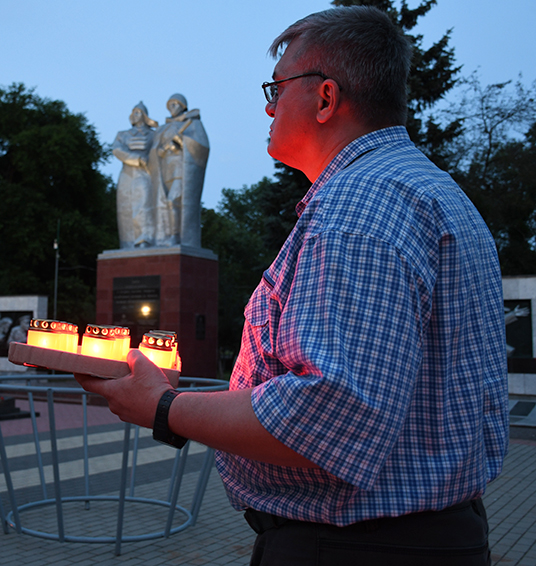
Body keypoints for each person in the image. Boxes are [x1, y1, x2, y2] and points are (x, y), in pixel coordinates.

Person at [75, 6, 508, 565]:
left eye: (277, 87)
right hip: (418, 537)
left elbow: (326, 412)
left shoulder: (361, 203)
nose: (267, 105)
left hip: (355, 549)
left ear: (326, 98)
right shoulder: (430, 191)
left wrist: (163, 406)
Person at [148, 93, 209, 247]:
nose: (172, 108)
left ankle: (175, 237)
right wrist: (161, 150)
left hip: (181, 170)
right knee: (165, 203)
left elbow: (202, 145)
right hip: (165, 170)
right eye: (170, 105)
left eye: (176, 104)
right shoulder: (164, 128)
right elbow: (155, 150)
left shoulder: (192, 123)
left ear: (183, 106)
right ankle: (166, 236)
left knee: (173, 201)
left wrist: (181, 142)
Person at [112, 102, 158, 248]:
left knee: (143, 205)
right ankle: (127, 243)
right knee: (124, 207)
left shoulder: (153, 135)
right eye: (133, 112)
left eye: (138, 112)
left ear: (145, 116)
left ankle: (144, 239)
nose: (134, 115)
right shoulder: (123, 135)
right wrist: (136, 158)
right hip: (126, 172)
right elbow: (117, 150)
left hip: (144, 173)